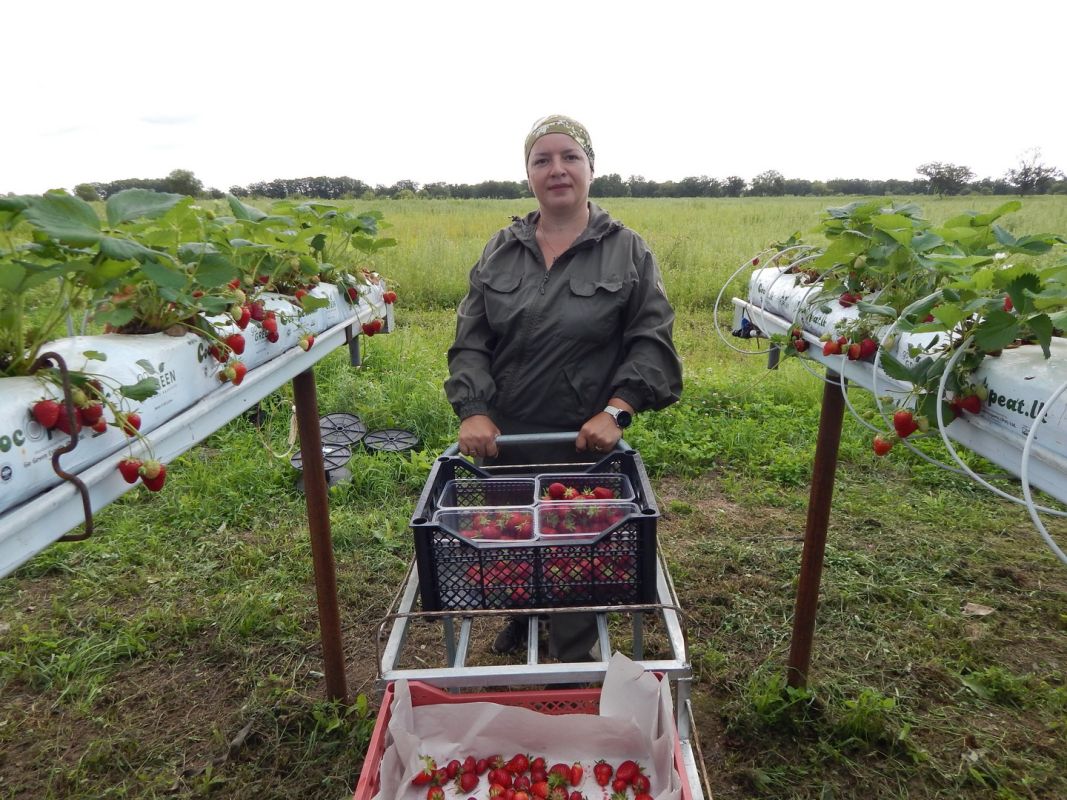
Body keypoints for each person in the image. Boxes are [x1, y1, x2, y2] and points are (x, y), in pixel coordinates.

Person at [444, 113, 683, 660]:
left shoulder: (627, 251)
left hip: (585, 444)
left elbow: (653, 341)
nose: (557, 170)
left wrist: (617, 411)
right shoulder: (502, 249)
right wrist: (474, 409)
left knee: (577, 547)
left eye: (570, 157)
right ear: (527, 174)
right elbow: (471, 339)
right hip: (505, 438)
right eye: (542, 159)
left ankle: (571, 660)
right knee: (513, 537)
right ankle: (526, 613)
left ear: (591, 168)